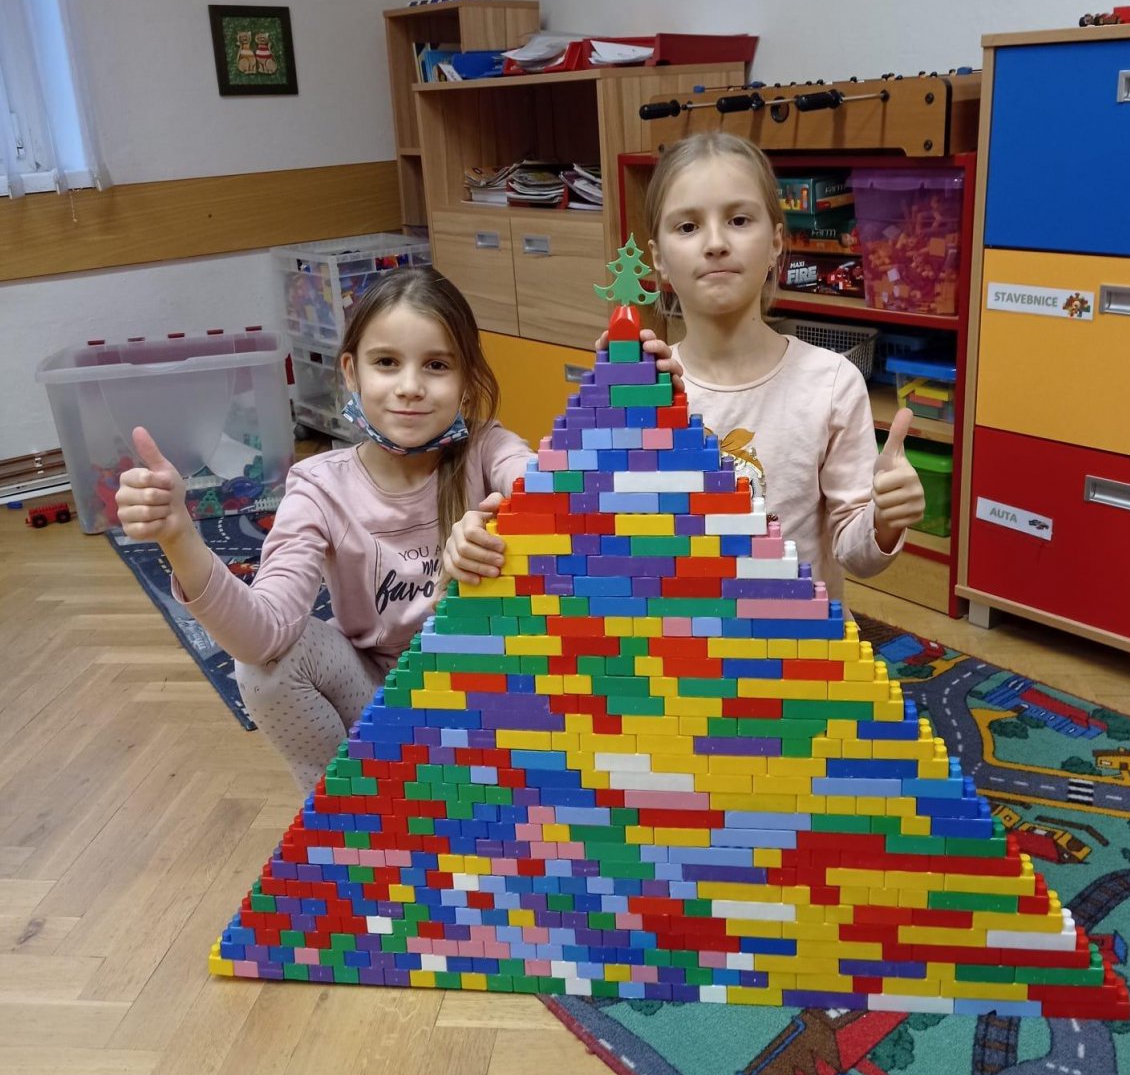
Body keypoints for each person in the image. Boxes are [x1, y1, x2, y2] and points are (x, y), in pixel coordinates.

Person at [447, 131, 925, 597]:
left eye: (739, 220)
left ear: (777, 242)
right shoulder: (648, 384)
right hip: (678, 637)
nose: (715, 243)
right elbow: (600, 534)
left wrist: (884, 517)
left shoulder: (831, 383)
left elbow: (857, 555)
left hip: (792, 641)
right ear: (658, 259)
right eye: (688, 227)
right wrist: (498, 531)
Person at [115, 268, 530, 791]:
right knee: (267, 668)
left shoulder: (489, 449)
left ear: (467, 380)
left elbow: (558, 491)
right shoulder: (318, 487)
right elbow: (262, 636)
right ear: (351, 372)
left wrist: (505, 520)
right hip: (382, 700)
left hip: (494, 691)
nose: (409, 387)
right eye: (386, 362)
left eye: (437, 365)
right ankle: (349, 817)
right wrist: (179, 537)